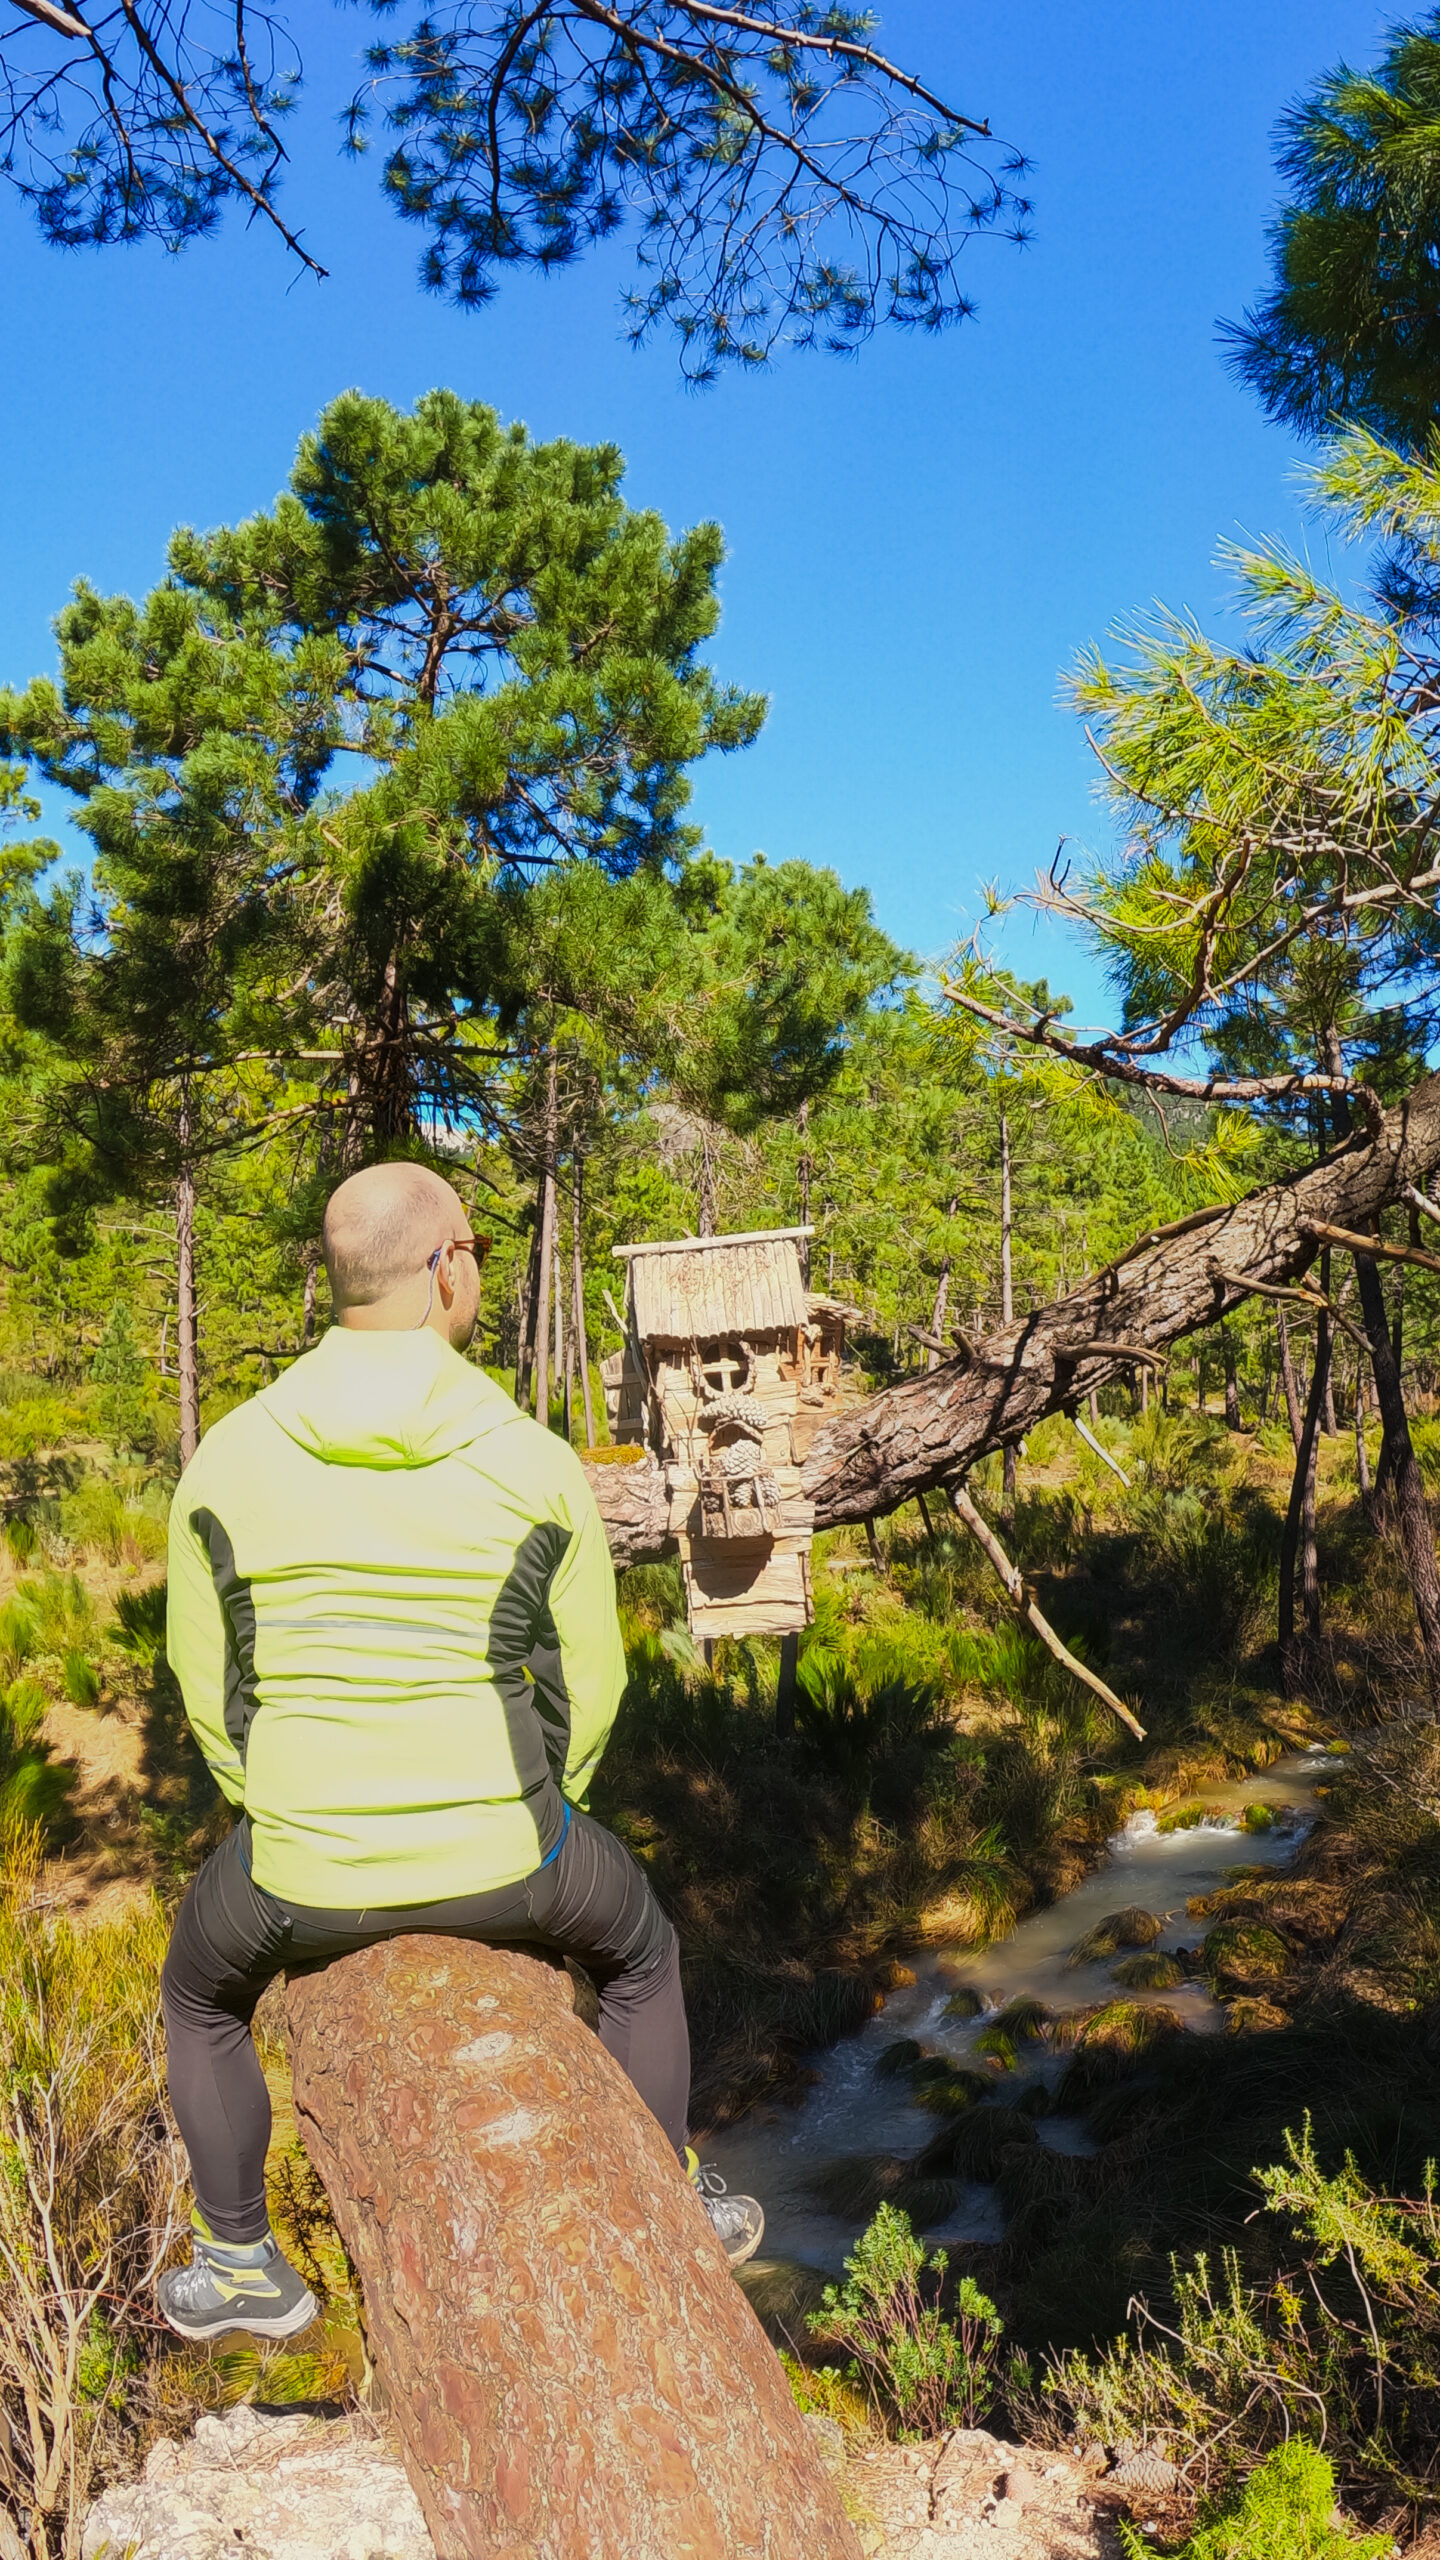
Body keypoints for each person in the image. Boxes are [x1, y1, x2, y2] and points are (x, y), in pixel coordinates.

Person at [158, 1161, 763, 2343]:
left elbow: (206, 1690)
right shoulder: (532, 1458)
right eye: (475, 1247)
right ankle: (675, 2198)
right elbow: (593, 1685)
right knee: (641, 1951)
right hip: (514, 1858)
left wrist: (273, 1810)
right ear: (444, 1268)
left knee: (198, 1996)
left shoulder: (224, 1458)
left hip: (296, 1878)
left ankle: (239, 2261)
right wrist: (538, 1812)